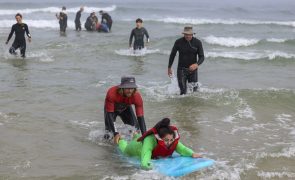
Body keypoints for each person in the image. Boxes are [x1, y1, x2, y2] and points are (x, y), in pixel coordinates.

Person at [114, 118, 202, 170]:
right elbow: (145, 155)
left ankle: (135, 135)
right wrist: (146, 166)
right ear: (159, 137)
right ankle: (120, 139)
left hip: (141, 142)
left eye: (171, 140)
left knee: (137, 137)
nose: (169, 143)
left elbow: (182, 149)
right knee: (124, 149)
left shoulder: (171, 140)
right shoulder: (150, 140)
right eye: (166, 140)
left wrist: (192, 153)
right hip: (135, 148)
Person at [168, 26, 205, 95]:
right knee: (183, 92)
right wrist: (169, 67)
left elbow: (202, 57)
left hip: (193, 70)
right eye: (186, 34)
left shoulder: (197, 42)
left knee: (194, 91)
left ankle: (192, 106)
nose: (188, 36)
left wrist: (196, 64)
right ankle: (182, 106)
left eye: (189, 35)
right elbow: (172, 54)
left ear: (192, 34)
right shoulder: (178, 42)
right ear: (184, 34)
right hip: (181, 70)